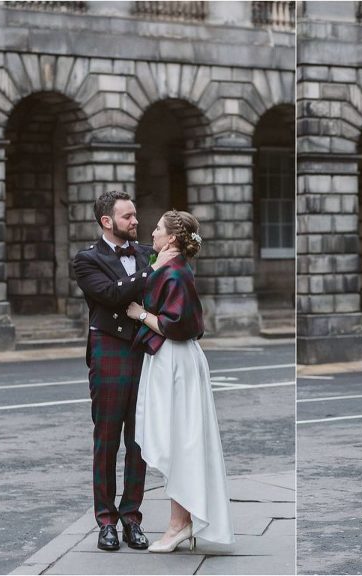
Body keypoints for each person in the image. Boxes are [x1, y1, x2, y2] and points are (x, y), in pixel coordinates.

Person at [126, 210, 235, 553]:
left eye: (157, 229)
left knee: (181, 440)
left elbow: (178, 325)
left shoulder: (177, 273)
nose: (151, 233)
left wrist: (140, 314)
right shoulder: (165, 265)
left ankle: (180, 523)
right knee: (176, 439)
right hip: (167, 359)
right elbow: (145, 263)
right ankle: (181, 519)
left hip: (176, 359)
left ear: (171, 238)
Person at [73, 190, 173, 551]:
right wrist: (153, 270)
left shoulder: (147, 253)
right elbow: (113, 296)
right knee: (107, 439)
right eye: (128, 217)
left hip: (145, 352)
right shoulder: (87, 260)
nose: (136, 221)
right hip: (109, 351)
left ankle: (132, 517)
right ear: (107, 221)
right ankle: (106, 521)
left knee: (138, 441)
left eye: (135, 215)